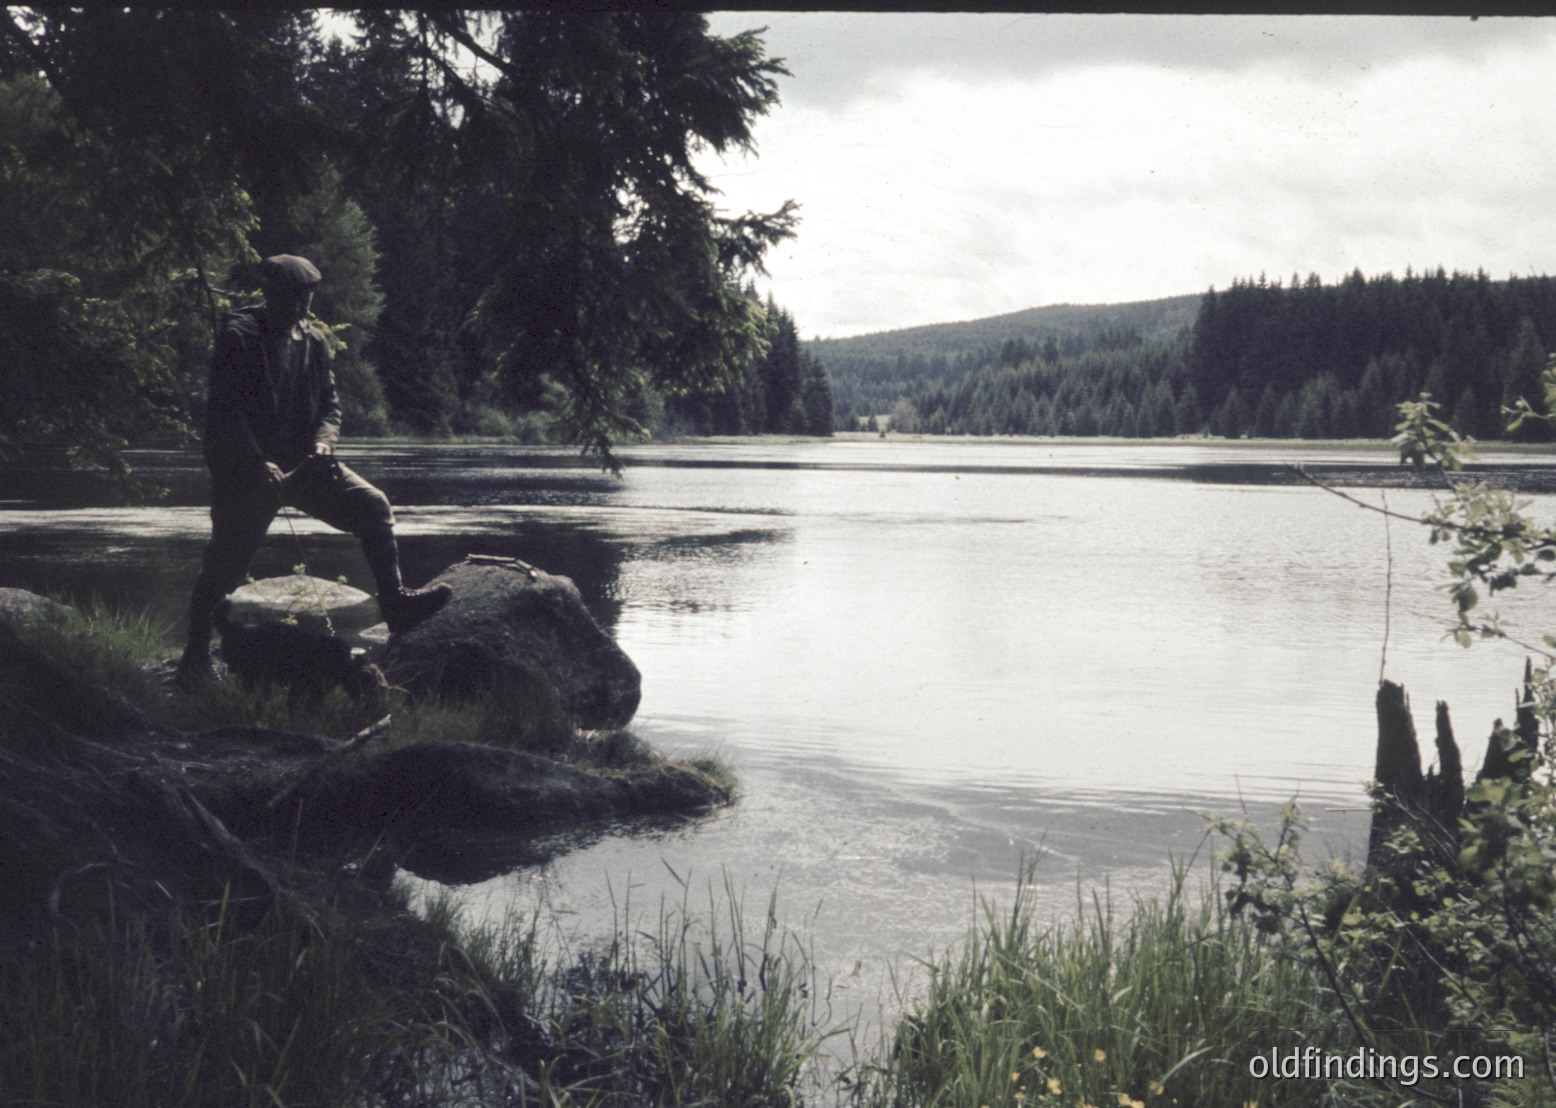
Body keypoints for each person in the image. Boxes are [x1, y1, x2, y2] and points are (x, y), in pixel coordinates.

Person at [175, 254, 449, 688]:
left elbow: (330, 406)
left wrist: (326, 442)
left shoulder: (314, 340)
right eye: (293, 296)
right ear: (271, 293)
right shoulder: (239, 335)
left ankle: (395, 604)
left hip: (307, 463)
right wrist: (254, 463)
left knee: (374, 506)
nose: (302, 306)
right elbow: (225, 413)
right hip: (247, 471)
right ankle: (194, 658)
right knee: (224, 568)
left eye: (307, 297)